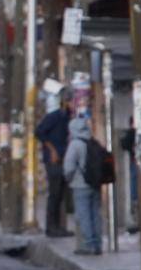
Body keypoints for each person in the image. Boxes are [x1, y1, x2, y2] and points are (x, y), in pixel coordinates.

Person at [61, 114, 105, 255]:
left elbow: (69, 167)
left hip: (80, 185)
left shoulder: (75, 144)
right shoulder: (93, 142)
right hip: (95, 184)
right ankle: (98, 244)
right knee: (95, 215)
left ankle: (88, 245)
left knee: (83, 215)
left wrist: (69, 180)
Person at [34, 98, 71, 237]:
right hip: (53, 160)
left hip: (64, 159)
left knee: (61, 194)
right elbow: (39, 132)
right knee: (54, 194)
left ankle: (57, 226)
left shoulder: (69, 118)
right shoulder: (55, 116)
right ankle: (51, 227)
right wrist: (52, 150)